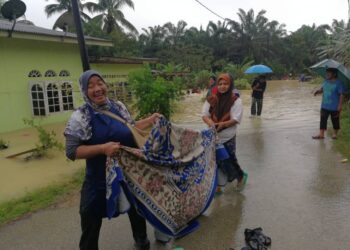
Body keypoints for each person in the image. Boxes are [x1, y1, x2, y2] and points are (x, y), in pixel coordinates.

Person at [64, 70, 161, 250]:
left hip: (128, 173)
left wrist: (149, 120)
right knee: (89, 217)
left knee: (136, 209)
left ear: (105, 85)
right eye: (90, 85)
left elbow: (129, 129)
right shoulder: (81, 116)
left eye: (100, 83)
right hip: (98, 178)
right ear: (84, 90)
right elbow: (71, 151)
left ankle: (142, 242)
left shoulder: (118, 107)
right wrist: (102, 148)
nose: (97, 88)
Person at [202, 73, 248, 192]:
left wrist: (222, 124)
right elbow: (204, 115)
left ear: (230, 85)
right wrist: (210, 122)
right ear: (217, 85)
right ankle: (217, 187)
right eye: (220, 84)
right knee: (215, 161)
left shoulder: (235, 100)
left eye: (226, 84)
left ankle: (240, 176)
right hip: (213, 135)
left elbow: (236, 119)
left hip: (228, 136)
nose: (222, 86)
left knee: (230, 159)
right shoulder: (211, 98)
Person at [312, 68, 344, 140]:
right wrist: (318, 91)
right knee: (323, 120)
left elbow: (341, 95)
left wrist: (340, 105)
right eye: (327, 73)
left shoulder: (339, 83)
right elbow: (322, 89)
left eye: (328, 73)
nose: (327, 74)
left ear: (334, 74)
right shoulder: (325, 81)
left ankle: (335, 134)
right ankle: (321, 134)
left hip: (334, 106)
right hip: (324, 105)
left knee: (335, 120)